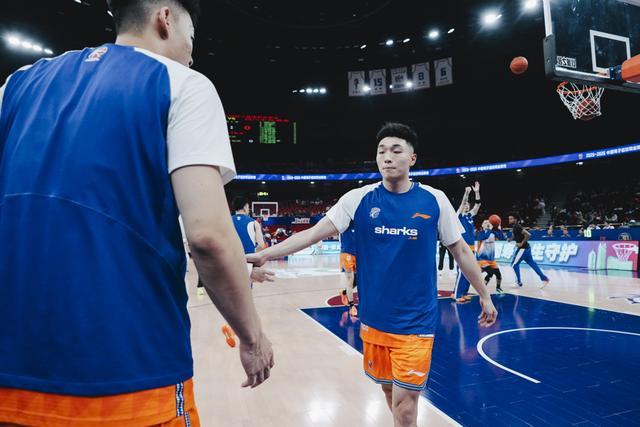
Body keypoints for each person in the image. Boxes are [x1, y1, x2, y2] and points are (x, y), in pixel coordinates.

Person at [0, 1, 274, 425]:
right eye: (191, 39)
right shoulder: (183, 84)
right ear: (165, 18)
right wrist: (252, 336)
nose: (191, 55)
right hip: (130, 374)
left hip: (12, 376)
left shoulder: (17, 84)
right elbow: (207, 236)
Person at [248, 123, 497, 427]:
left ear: (412, 158)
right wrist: (266, 254)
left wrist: (484, 295)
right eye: (381, 151)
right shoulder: (358, 199)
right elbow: (313, 233)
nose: (387, 157)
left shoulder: (434, 200)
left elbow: (461, 252)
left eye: (396, 150)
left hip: (416, 322)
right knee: (389, 392)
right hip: (374, 320)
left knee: (405, 407)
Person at [453, 182, 481, 303]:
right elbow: (462, 203)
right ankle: (457, 294)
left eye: (468, 205)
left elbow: (478, 204)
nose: (466, 206)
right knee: (462, 270)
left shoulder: (470, 216)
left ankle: (463, 292)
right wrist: (467, 193)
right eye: (465, 205)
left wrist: (477, 192)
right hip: (462, 246)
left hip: (472, 247)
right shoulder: (458, 215)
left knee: (470, 271)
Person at [508, 214, 550, 289]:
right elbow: (515, 235)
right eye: (509, 219)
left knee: (514, 265)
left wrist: (521, 243)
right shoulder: (515, 227)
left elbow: (528, 235)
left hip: (523, 249)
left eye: (511, 219)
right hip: (527, 248)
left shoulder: (517, 226)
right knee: (532, 264)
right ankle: (544, 279)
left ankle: (518, 282)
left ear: (515, 219)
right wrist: (511, 239)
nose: (509, 220)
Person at [476, 220, 504, 293]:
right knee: (490, 273)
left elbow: (501, 237)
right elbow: (485, 236)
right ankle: (482, 289)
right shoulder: (480, 233)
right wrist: (490, 229)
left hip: (491, 259)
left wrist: (499, 228)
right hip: (482, 258)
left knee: (498, 275)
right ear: (482, 225)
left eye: (488, 222)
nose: (487, 224)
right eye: (485, 223)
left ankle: (498, 288)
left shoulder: (492, 233)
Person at [339, 221, 358, 317]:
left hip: (359, 253)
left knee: (359, 280)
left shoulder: (361, 220)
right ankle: (351, 306)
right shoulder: (344, 221)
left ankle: (344, 292)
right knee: (350, 279)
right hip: (347, 253)